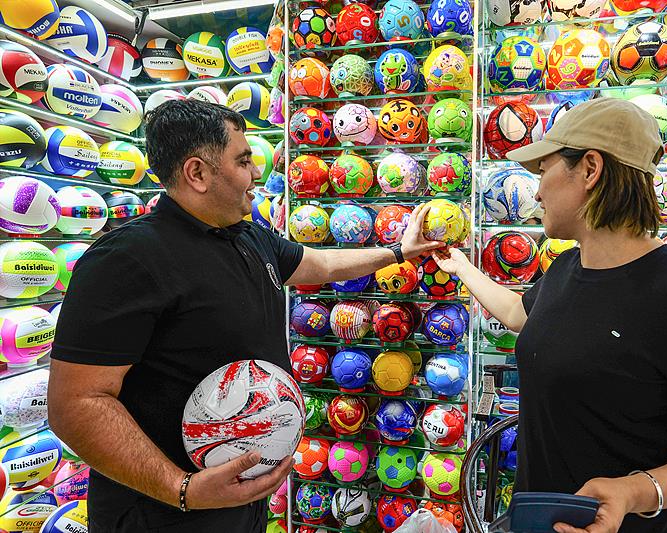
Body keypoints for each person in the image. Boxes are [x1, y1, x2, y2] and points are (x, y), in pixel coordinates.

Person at [47, 99, 442, 532]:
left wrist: (398, 252)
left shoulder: (249, 235)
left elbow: (323, 265)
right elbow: (76, 405)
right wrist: (182, 488)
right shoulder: (125, 260)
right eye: (243, 161)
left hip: (242, 504)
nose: (256, 173)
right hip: (163, 514)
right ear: (197, 173)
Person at [432, 97, 667, 533]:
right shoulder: (566, 267)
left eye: (543, 170)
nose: (537, 191)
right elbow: (521, 314)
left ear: (590, 169)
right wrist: (461, 267)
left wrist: (633, 492)